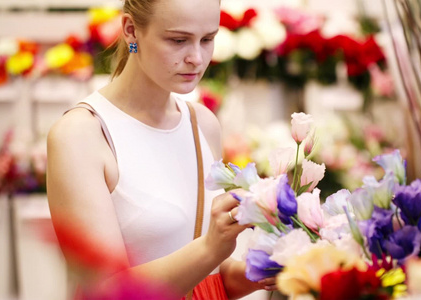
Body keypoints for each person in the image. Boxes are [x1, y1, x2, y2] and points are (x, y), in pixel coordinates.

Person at [46, 0, 276, 298]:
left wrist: (269, 268)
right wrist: (210, 247)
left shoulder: (202, 123)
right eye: (178, 40)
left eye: (208, 39)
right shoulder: (82, 134)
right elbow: (105, 291)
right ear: (131, 30)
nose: (196, 58)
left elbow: (209, 280)